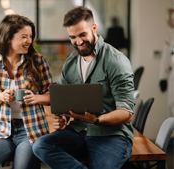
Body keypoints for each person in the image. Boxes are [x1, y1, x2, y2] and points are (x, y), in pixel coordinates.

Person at [33, 6, 134, 169]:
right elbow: (66, 103)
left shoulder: (116, 61)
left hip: (111, 135)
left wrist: (97, 120)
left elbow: (127, 113)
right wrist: (63, 119)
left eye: (82, 34)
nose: (78, 42)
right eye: (72, 37)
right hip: (79, 131)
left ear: (94, 28)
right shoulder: (70, 63)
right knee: (40, 146)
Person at [0, 14, 53, 169]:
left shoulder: (38, 61)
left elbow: (53, 96)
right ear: (8, 38)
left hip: (31, 129)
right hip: (2, 130)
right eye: (23, 36)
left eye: (30, 36)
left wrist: (36, 98)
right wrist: (0, 97)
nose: (29, 41)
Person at [159, 7, 174, 117]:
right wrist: (162, 77)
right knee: (171, 105)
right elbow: (166, 57)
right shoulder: (171, 36)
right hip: (171, 75)